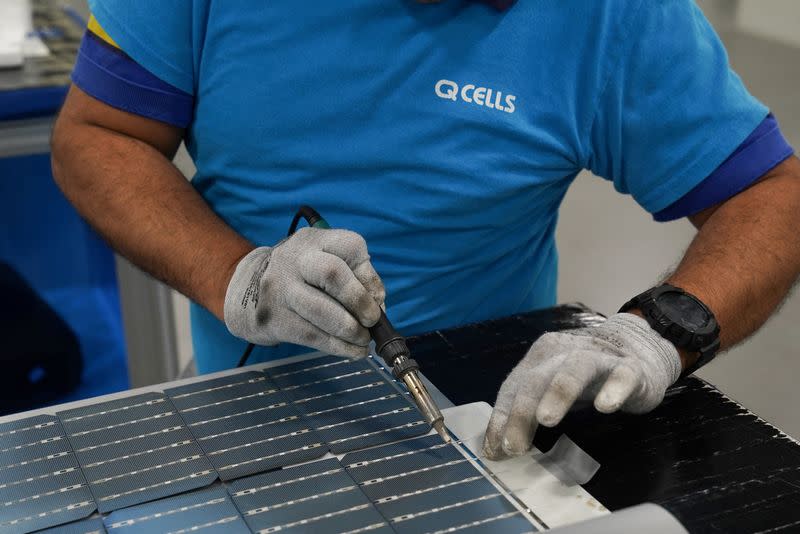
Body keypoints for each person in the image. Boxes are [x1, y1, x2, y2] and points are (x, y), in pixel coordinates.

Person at [51, 0, 799, 461]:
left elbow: (771, 194)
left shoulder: (611, 14)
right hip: (248, 409)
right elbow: (98, 138)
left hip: (492, 426)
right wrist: (237, 276)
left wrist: (655, 332)